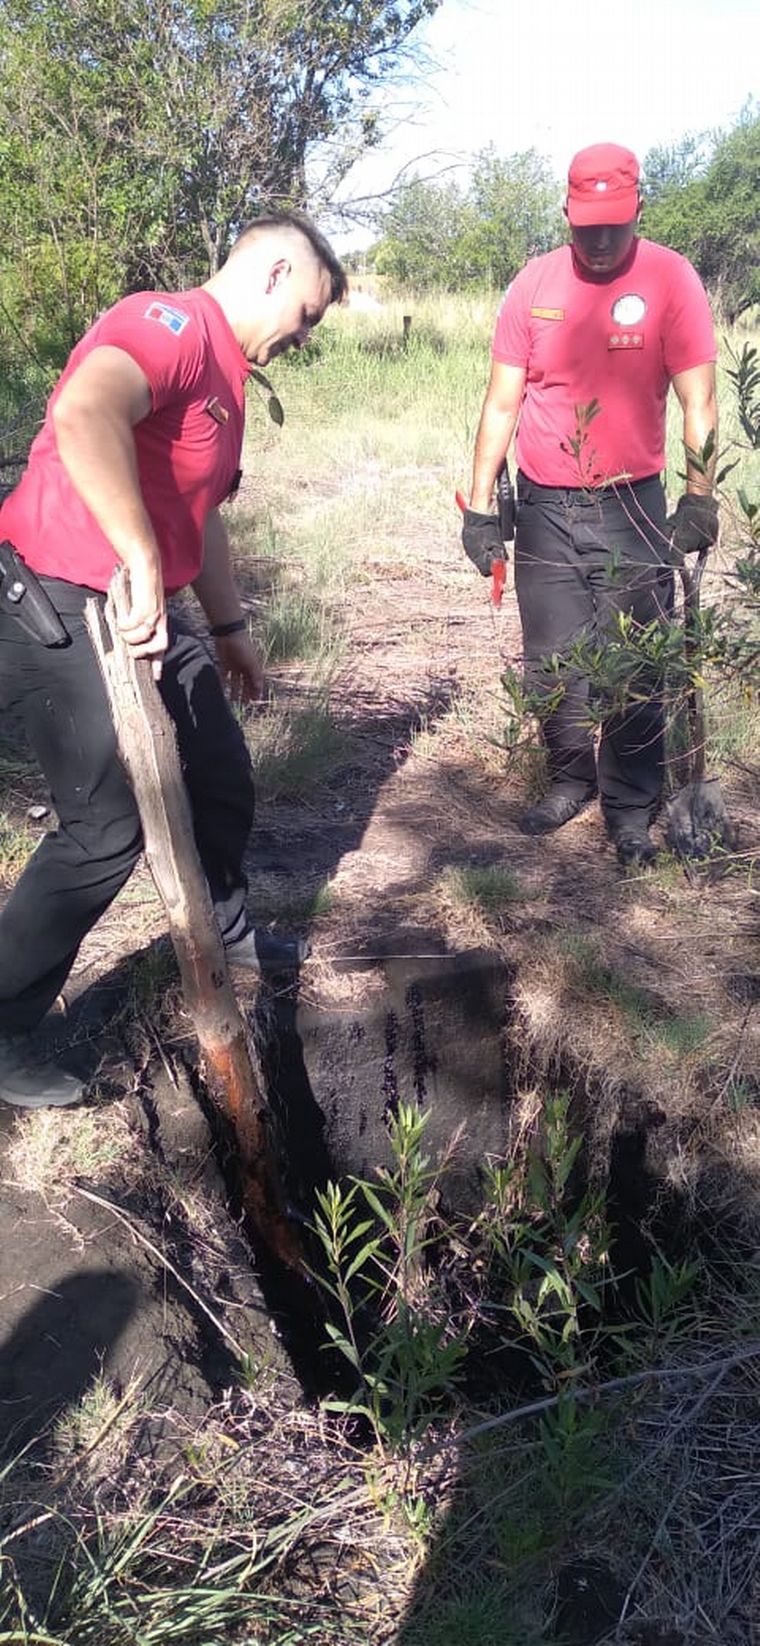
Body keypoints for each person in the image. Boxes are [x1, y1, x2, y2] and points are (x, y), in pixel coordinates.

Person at [0, 211, 347, 1109]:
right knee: (107, 825)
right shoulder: (169, 325)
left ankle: (225, 928)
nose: (300, 338)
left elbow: (204, 511)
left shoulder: (228, 379)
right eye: (304, 315)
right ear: (273, 272)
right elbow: (82, 413)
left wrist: (229, 629)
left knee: (222, 773)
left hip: (145, 609)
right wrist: (142, 557)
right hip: (57, 597)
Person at [462, 142, 719, 868]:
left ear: (638, 209)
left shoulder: (671, 280)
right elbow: (502, 400)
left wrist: (699, 497)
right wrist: (481, 508)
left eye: (614, 224)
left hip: (631, 506)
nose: (601, 240)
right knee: (551, 662)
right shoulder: (532, 285)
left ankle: (631, 808)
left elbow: (699, 397)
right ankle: (568, 779)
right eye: (587, 226)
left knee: (636, 662)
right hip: (543, 504)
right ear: (566, 215)